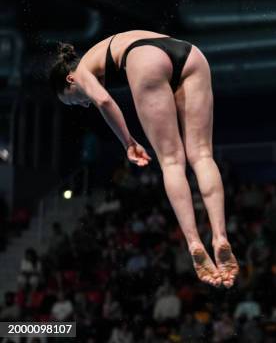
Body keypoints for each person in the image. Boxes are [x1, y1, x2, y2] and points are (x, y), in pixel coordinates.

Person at [48, 30, 238, 287]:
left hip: (145, 57)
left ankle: (194, 242)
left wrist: (128, 141)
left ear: (70, 79)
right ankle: (220, 236)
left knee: (172, 161)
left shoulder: (81, 72)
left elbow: (103, 100)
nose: (83, 104)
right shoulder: (99, 53)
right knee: (203, 155)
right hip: (189, 52)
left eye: (73, 100)